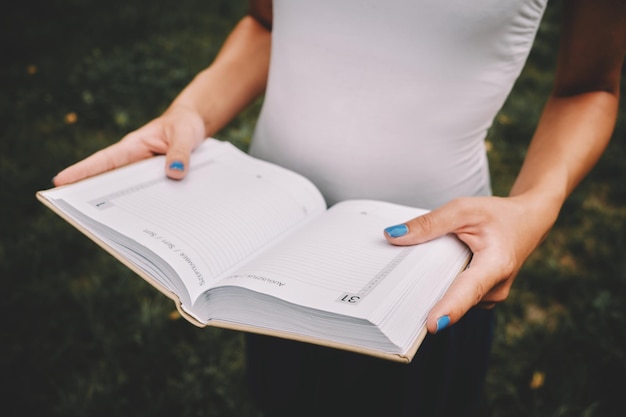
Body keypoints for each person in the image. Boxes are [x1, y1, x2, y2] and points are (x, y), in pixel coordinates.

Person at [53, 0, 626, 416]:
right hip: (268, 252)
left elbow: (588, 87)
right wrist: (192, 111)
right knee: (281, 398)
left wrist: (534, 206)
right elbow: (266, 22)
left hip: (424, 270)